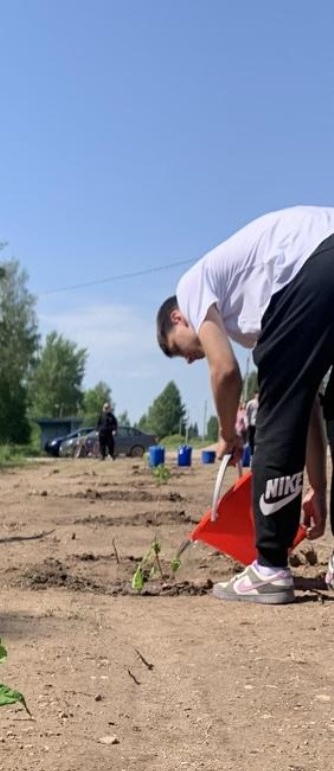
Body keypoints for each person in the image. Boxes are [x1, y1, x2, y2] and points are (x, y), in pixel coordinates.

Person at [157, 206, 334, 604]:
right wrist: (318, 490)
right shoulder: (255, 309)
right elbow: (307, 406)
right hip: (324, 258)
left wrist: (227, 434)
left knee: (274, 397)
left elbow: (226, 374)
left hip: (318, 261)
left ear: (178, 317)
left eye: (177, 350)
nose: (187, 359)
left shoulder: (191, 285)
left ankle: (269, 568)